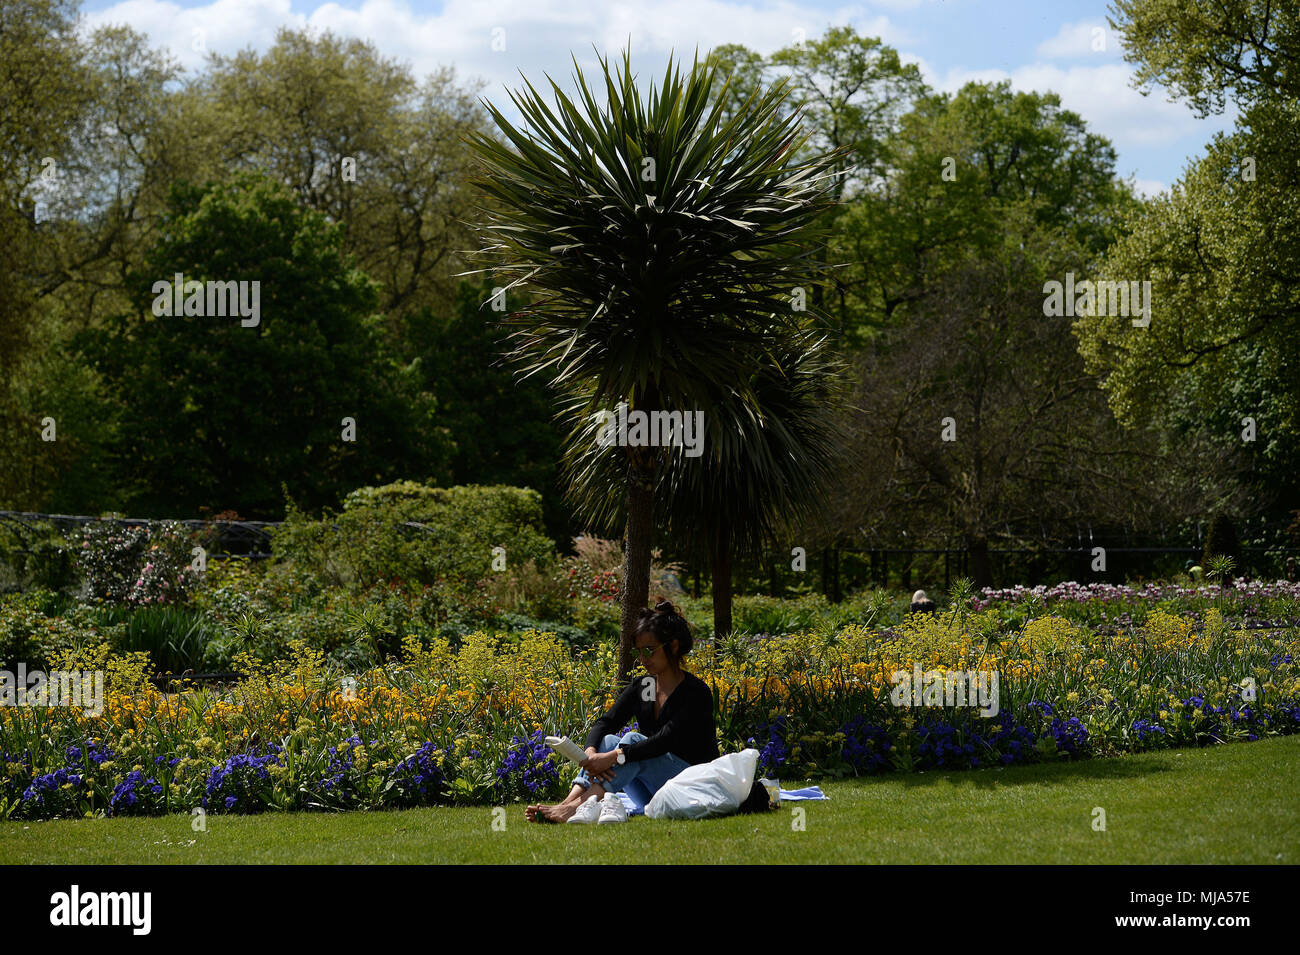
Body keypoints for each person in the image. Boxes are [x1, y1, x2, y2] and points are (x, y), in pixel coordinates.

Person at [525, 601, 718, 824]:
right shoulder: (646, 688)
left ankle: (575, 808)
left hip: (692, 789)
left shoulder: (694, 692)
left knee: (632, 742)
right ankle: (566, 803)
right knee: (608, 740)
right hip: (653, 792)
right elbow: (606, 723)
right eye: (639, 651)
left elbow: (663, 741)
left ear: (673, 646)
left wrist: (611, 757)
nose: (643, 658)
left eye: (649, 650)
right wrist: (590, 755)